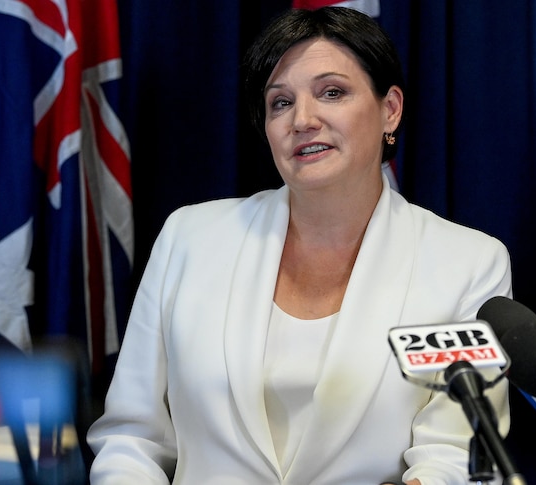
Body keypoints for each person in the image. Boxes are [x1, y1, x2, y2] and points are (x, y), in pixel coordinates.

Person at [87, 6, 512, 485]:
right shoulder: (189, 238)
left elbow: (458, 456)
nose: (302, 119)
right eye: (280, 103)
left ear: (390, 108)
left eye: (332, 92)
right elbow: (132, 438)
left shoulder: (469, 263)